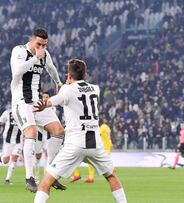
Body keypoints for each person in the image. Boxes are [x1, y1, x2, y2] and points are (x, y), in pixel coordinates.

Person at [33, 59, 127, 203]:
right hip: (95, 144)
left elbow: (55, 99)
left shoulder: (67, 89)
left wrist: (44, 104)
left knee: (45, 182)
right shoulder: (95, 89)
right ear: (85, 75)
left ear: (69, 76)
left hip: (74, 144)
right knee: (112, 176)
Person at [10, 28, 66, 192]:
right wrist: (35, 58)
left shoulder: (45, 55)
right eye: (39, 44)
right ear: (32, 40)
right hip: (21, 100)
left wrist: (58, 82)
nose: (42, 48)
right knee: (31, 132)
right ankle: (30, 178)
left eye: (44, 45)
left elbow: (51, 68)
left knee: (59, 131)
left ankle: (51, 174)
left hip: (37, 101)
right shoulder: (19, 51)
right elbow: (17, 72)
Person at [70, 118, 112, 183]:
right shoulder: (106, 127)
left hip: (103, 147)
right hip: (107, 147)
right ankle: (90, 178)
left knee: (76, 159)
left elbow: (95, 133)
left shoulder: (102, 127)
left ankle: (79, 175)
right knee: (94, 163)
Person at [0, 108, 23, 184]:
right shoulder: (7, 112)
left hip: (19, 140)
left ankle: (7, 179)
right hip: (8, 140)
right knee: (6, 161)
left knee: (14, 158)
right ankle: (2, 157)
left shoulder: (24, 112)